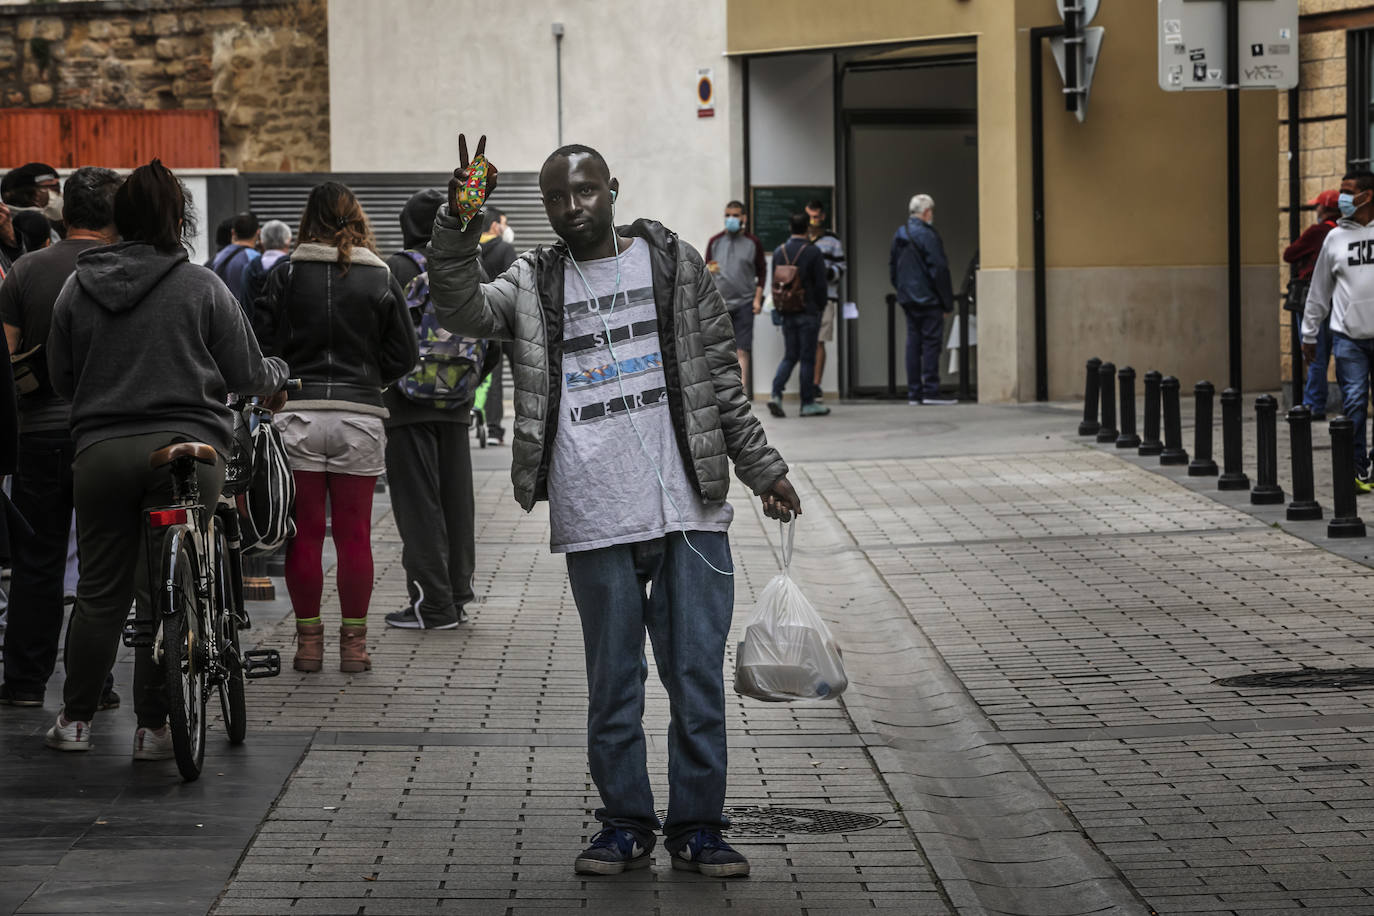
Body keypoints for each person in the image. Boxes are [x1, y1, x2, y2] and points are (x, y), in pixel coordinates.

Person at [428, 135, 801, 879]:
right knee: (614, 680)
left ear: (614, 189)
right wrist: (458, 220)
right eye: (557, 198)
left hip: (689, 510)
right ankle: (625, 823)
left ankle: (698, 827)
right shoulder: (532, 284)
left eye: (586, 191)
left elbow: (719, 385)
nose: (573, 208)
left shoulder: (673, 265)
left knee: (694, 676)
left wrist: (764, 469)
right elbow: (461, 306)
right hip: (595, 509)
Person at [43, 159, 289, 755]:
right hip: (188, 451)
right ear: (179, 221)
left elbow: (59, 377)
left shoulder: (77, 286)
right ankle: (155, 727)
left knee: (101, 592)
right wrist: (280, 373)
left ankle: (75, 722)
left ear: (117, 221)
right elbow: (248, 373)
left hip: (100, 451)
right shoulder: (202, 285)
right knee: (162, 593)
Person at [257, 182, 418, 674]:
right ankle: (355, 648)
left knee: (303, 535)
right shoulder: (381, 277)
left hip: (297, 414)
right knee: (354, 536)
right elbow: (405, 355)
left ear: (309, 219)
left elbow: (260, 344)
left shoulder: (287, 274)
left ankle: (308, 647)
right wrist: (371, 383)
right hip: (360, 417)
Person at [1, 166, 124, 709]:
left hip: (40, 434)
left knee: (36, 564)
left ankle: (25, 683)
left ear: (64, 211)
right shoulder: (128, 269)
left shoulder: (26, 271)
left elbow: (4, 361)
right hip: (109, 436)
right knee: (103, 569)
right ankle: (95, 683)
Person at [382, 187, 491, 631]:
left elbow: (381, 336)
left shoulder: (394, 269)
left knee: (418, 505)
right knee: (456, 503)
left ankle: (432, 605)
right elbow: (491, 334)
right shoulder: (470, 267)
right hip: (457, 402)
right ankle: (457, 597)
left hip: (406, 404)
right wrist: (466, 385)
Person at [1302, 169, 1374, 491]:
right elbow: (1319, 290)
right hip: (1348, 339)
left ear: (1367, 195)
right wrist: (1308, 333)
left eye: (1348, 191)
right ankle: (1357, 469)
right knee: (1355, 404)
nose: (1342, 197)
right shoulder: (1334, 238)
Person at [890, 193, 956, 406]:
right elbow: (939, 269)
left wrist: (901, 289)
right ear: (926, 212)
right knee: (930, 344)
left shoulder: (900, 234)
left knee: (913, 343)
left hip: (907, 298)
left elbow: (893, 267)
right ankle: (931, 391)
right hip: (929, 298)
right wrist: (946, 301)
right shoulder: (929, 236)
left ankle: (914, 393)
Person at [1285, 190, 1341, 421]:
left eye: (1318, 206)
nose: (1316, 210)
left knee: (1315, 354)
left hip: (1311, 296)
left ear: (1326, 208)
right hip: (1338, 299)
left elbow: (1290, 254)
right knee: (1336, 351)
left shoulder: (1319, 231)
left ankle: (1314, 404)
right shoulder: (1343, 232)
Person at [768, 212, 829, 418]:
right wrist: (820, 306)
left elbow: (774, 283)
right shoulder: (813, 252)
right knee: (807, 358)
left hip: (787, 311)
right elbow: (821, 285)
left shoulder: (779, 251)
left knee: (790, 355)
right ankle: (807, 403)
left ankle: (776, 394)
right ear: (807, 228)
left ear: (790, 228)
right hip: (808, 311)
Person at [704, 200, 765, 389]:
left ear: (744, 218)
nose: (731, 219)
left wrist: (757, 299)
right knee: (719, 350)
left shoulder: (753, 243)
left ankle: (741, 390)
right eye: (728, 215)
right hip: (719, 304)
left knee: (742, 349)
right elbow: (706, 271)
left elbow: (762, 272)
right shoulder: (715, 242)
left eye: (735, 215)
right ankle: (721, 389)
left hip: (745, 303)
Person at [478, 207, 518, 445]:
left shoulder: (473, 249)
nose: (506, 228)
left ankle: (493, 430)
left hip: (486, 322)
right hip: (509, 319)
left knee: (492, 377)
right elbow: (515, 282)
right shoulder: (505, 248)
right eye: (504, 223)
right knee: (521, 372)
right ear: (495, 226)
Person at [804, 200, 845, 403]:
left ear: (823, 216)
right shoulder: (799, 238)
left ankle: (816, 385)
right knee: (805, 341)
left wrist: (826, 273)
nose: (814, 220)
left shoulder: (832, 240)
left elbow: (841, 267)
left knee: (820, 340)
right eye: (810, 216)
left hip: (826, 298)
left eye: (817, 216)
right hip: (802, 299)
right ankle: (805, 384)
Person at [241, 218, 292, 319]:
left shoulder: (248, 268)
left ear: (262, 241)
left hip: (253, 332)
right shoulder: (292, 268)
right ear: (288, 240)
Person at [209, 211, 260, 305]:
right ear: (258, 232)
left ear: (233, 232)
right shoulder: (255, 259)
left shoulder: (218, 257)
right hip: (242, 315)